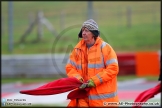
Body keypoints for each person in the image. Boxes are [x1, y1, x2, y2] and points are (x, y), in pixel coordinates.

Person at [65, 19, 119, 107]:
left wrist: (95, 81)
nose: (83, 33)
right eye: (82, 30)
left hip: (102, 100)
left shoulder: (105, 48)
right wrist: (78, 80)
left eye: (86, 30)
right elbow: (70, 67)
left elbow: (113, 68)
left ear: (93, 33)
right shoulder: (77, 49)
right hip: (83, 96)